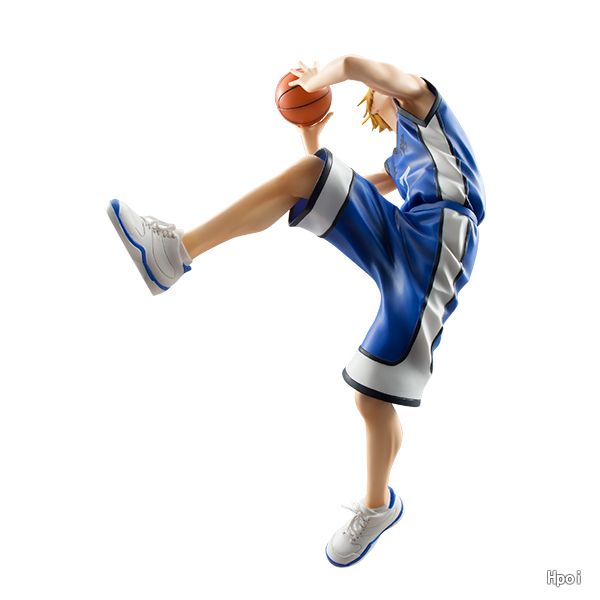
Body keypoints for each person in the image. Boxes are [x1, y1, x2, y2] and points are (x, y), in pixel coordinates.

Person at [106, 54, 485, 567]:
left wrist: (315, 79)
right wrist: (312, 137)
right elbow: (351, 185)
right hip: (407, 229)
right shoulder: (403, 156)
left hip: (441, 237)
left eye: (378, 89)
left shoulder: (423, 101)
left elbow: (351, 63)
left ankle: (378, 506)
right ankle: (174, 253)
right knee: (311, 175)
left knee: (373, 395)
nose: (381, 89)